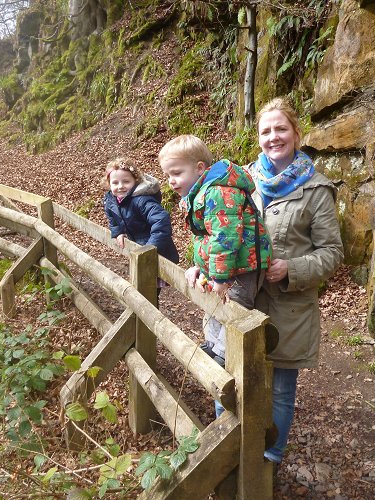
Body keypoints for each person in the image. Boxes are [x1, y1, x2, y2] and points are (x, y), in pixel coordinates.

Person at [246, 98, 343, 467]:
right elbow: (215, 228)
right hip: (240, 301)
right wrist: (202, 265)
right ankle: (229, 449)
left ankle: (270, 459)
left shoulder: (317, 190)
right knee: (232, 376)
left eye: (281, 128)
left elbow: (332, 252)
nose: (274, 137)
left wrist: (291, 268)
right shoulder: (242, 180)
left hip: (288, 307)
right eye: (266, 131)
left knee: (281, 391)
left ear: (296, 133)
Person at [158, 134, 271, 373]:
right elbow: (205, 238)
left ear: (200, 168)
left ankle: (223, 355)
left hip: (243, 266)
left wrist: (220, 276)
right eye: (168, 175)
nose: (171, 181)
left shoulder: (219, 192)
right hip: (226, 266)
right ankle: (213, 346)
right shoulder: (201, 193)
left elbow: (225, 237)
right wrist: (199, 265)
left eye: (177, 173)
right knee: (214, 306)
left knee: (234, 307)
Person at [102, 158, 180, 293]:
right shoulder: (111, 200)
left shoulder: (141, 200)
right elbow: (112, 218)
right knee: (141, 284)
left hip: (156, 249)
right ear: (109, 184)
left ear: (135, 181)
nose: (120, 186)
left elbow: (161, 220)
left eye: (126, 181)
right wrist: (118, 232)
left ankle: (148, 312)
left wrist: (150, 247)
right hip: (138, 247)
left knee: (148, 287)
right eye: (115, 182)